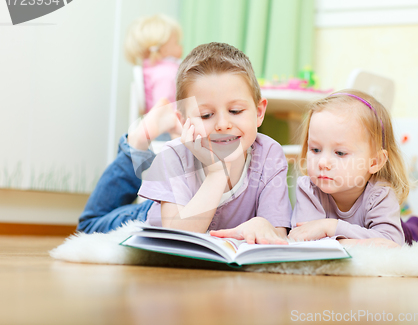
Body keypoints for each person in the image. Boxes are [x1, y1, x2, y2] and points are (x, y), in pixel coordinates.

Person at [78, 42, 291, 245]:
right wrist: (217, 173)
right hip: (154, 214)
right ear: (184, 122)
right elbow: (177, 237)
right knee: (89, 226)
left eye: (235, 111)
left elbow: (277, 234)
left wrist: (263, 224)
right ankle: (137, 142)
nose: (223, 124)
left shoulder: (270, 154)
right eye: (206, 115)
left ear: (259, 113)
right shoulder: (172, 156)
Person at [288, 89, 418, 246]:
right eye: (315, 150)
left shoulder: (380, 194)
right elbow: (306, 237)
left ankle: (416, 225)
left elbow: (392, 243)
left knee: (411, 233)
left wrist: (331, 227)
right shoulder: (309, 188)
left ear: (374, 162)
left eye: (340, 153)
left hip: (402, 231)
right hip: (368, 233)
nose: (322, 163)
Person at [125, 14, 183, 114]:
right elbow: (162, 110)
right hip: (171, 125)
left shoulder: (152, 70)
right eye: (177, 42)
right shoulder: (166, 74)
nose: (181, 47)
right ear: (164, 50)